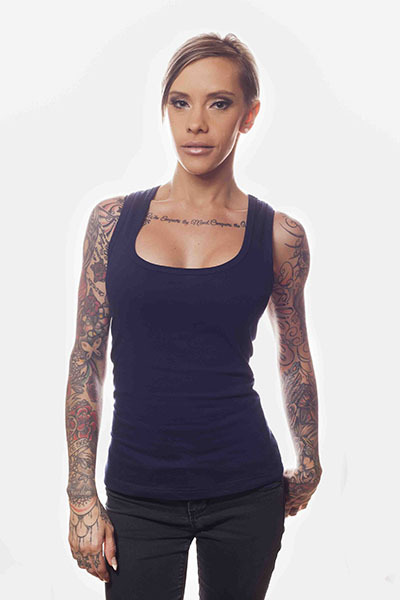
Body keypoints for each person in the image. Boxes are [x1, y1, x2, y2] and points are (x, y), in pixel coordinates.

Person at [65, 32, 322, 599]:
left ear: (248, 116)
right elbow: (87, 358)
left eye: (219, 103)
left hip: (246, 488)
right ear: (165, 110)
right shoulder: (111, 222)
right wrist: (81, 494)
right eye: (180, 102)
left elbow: (294, 353)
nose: (196, 123)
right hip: (138, 493)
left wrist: (309, 460)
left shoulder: (280, 236)